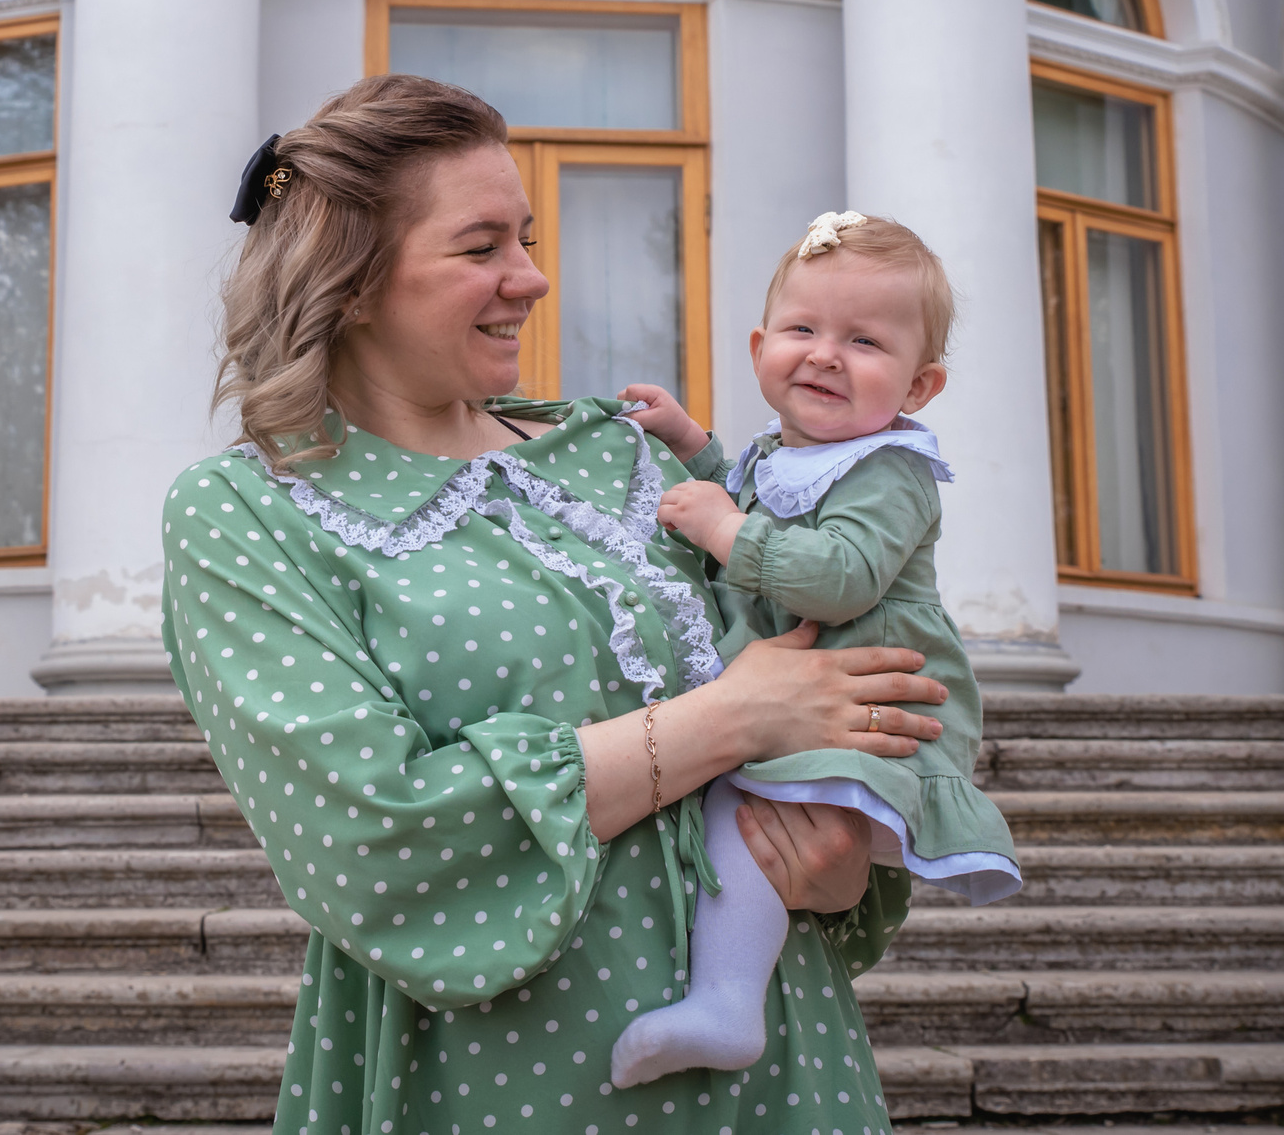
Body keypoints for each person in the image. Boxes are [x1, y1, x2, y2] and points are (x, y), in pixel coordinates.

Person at [160, 76, 951, 1135]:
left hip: (781, 1069)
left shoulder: (612, 452)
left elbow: (820, 668)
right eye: (482, 246)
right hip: (503, 1080)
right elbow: (372, 835)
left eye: (525, 239)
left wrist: (840, 851)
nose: (530, 278)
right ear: (349, 283)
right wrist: (732, 721)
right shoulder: (248, 513)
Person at [608, 212, 1020, 1089]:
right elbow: (758, 494)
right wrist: (691, 445)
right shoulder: (787, 453)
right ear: (761, 345)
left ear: (922, 383)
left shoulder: (891, 469)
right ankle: (725, 993)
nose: (826, 354)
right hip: (809, 702)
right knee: (739, 816)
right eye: (803, 329)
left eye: (865, 340)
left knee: (739, 817)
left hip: (870, 713)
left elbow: (840, 576)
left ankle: (727, 1001)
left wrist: (722, 528)